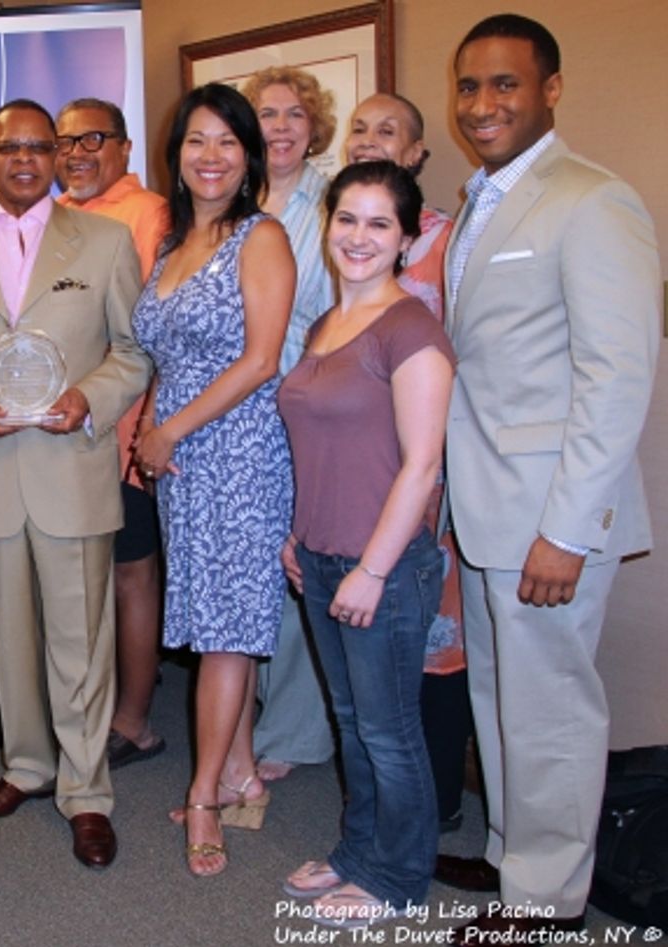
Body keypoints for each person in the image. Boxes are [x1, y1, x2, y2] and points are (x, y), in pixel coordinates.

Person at [437, 15, 660, 943]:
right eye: (470, 88)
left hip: (549, 516)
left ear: (551, 90)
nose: (483, 105)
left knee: (553, 711)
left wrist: (568, 530)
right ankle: (510, 852)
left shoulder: (593, 199)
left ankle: (547, 906)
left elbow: (619, 377)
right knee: (501, 700)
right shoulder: (480, 199)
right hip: (487, 503)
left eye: (505, 86)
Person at [0, 100, 151, 870]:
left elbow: (133, 352)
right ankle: (27, 766)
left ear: (56, 156)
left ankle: (86, 791)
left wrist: (92, 397)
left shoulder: (107, 240)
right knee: (5, 637)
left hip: (72, 467)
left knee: (81, 641)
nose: (25, 159)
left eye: (39, 147)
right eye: (9, 146)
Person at [277, 160, 454, 928]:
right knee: (353, 722)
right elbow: (322, 444)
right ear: (327, 226)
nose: (359, 236)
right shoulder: (325, 324)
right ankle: (358, 851)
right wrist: (298, 533)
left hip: (378, 565)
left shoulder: (411, 327)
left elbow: (422, 466)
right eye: (347, 218)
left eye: (380, 223)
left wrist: (373, 570)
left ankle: (400, 877)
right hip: (321, 554)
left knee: (390, 728)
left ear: (408, 238)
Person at [132, 83, 294, 877]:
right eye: (198, 140)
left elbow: (261, 359)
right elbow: (169, 353)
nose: (211, 156)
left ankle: (203, 797)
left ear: (248, 157)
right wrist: (149, 430)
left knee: (227, 631)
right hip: (183, 465)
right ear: (179, 152)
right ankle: (241, 772)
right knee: (210, 619)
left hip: (237, 453)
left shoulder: (260, 237)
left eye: (229, 142)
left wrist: (171, 427)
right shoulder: (170, 246)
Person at [343, 93, 470, 834]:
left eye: (387, 130)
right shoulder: (352, 242)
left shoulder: (444, 243)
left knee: (429, 636)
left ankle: (438, 805)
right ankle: (383, 802)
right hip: (356, 464)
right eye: (359, 127)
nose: (368, 139)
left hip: (425, 468)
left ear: (418, 153)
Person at [55, 96, 169, 770]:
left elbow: (150, 335)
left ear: (125, 147)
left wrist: (147, 430)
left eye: (92, 138)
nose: (76, 152)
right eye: (64, 141)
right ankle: (90, 708)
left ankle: (134, 719)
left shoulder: (145, 215)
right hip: (64, 434)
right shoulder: (59, 217)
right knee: (82, 578)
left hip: (121, 434)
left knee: (131, 576)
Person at [240, 65, 338, 782]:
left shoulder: (332, 203)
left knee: (295, 556)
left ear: (314, 127)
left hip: (297, 402)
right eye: (266, 114)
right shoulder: (229, 202)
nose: (279, 126)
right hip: (231, 410)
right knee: (251, 564)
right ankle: (253, 712)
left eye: (293, 114)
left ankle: (296, 731)